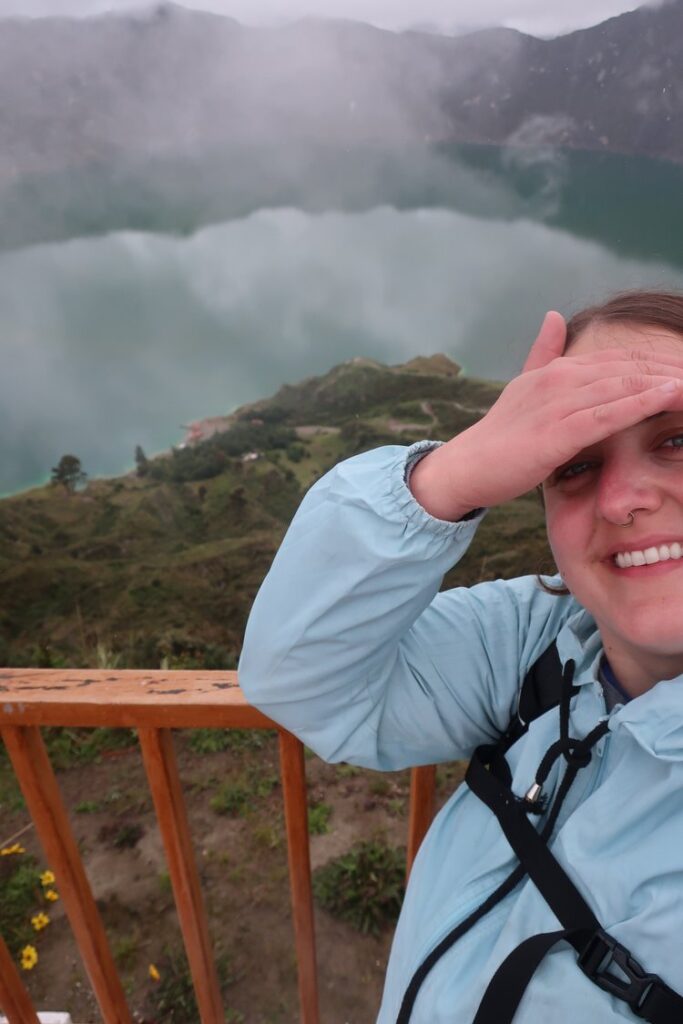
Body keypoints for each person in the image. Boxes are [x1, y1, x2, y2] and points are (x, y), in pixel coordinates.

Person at [239, 290, 683, 1023]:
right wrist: (449, 478)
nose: (619, 500)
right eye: (571, 463)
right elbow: (302, 680)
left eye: (677, 439)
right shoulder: (540, 643)